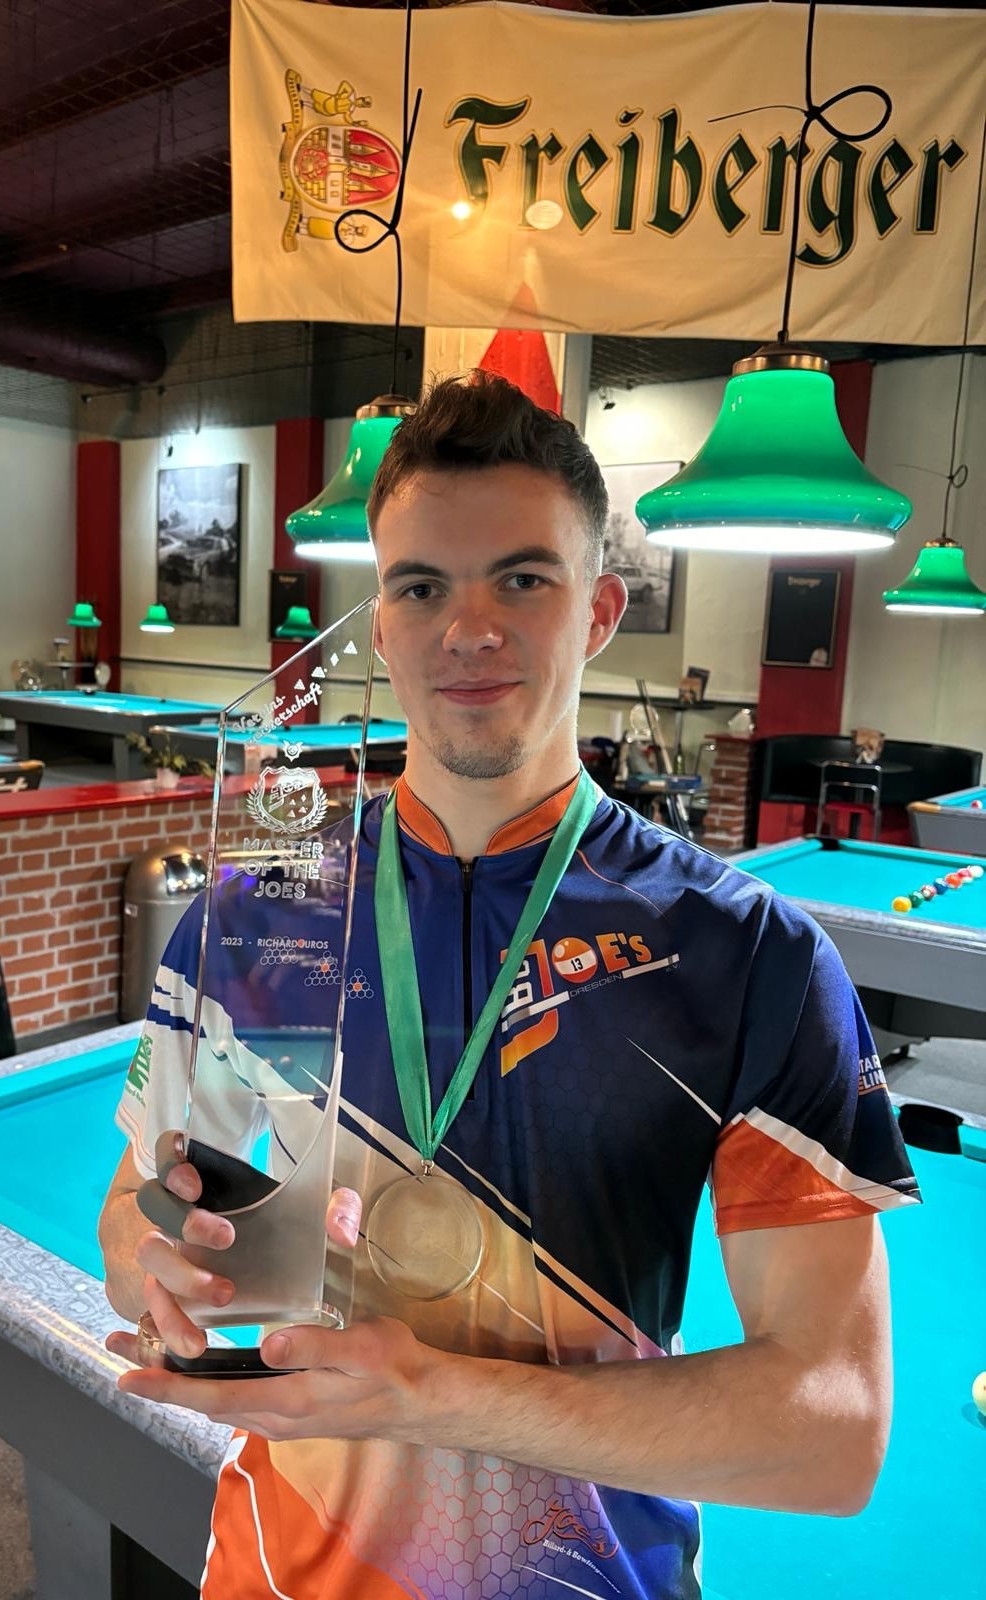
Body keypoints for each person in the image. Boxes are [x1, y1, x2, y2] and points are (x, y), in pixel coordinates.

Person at [98, 372, 919, 1600]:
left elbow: (833, 1427)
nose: (467, 628)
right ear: (380, 624)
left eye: (523, 580)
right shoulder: (259, 911)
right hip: (274, 1571)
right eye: (421, 586)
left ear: (599, 611)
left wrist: (435, 1395)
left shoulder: (750, 954)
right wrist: (158, 1261)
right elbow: (131, 1215)